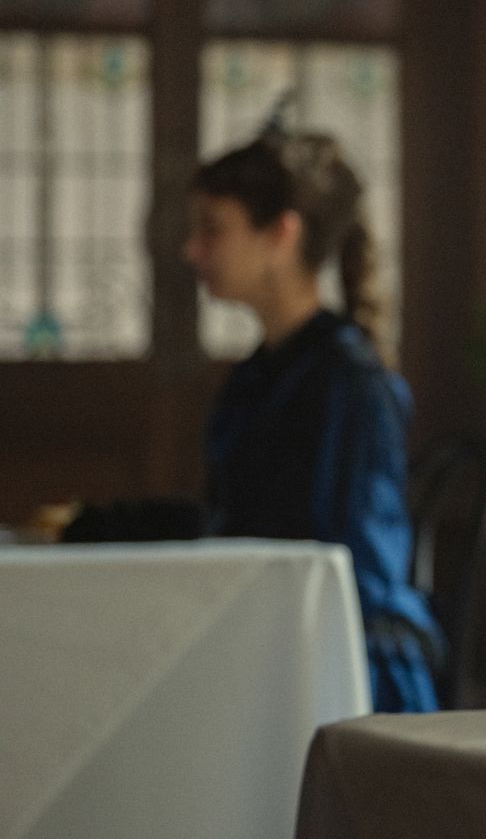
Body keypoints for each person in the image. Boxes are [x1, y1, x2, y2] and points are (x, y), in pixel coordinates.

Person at [181, 129, 442, 712]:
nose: (191, 250)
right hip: (262, 639)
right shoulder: (258, 376)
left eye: (213, 228)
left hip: (341, 666)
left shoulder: (349, 381)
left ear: (282, 233)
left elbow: (360, 571)